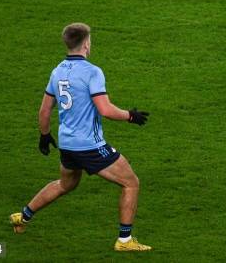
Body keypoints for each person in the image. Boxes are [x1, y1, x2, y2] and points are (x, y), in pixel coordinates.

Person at [9, 23, 152, 253]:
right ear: (86, 43)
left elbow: (44, 110)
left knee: (66, 184)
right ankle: (125, 241)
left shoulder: (57, 71)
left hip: (67, 144)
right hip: (90, 145)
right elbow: (104, 109)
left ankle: (22, 216)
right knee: (131, 182)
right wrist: (130, 116)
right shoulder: (92, 72)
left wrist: (44, 135)